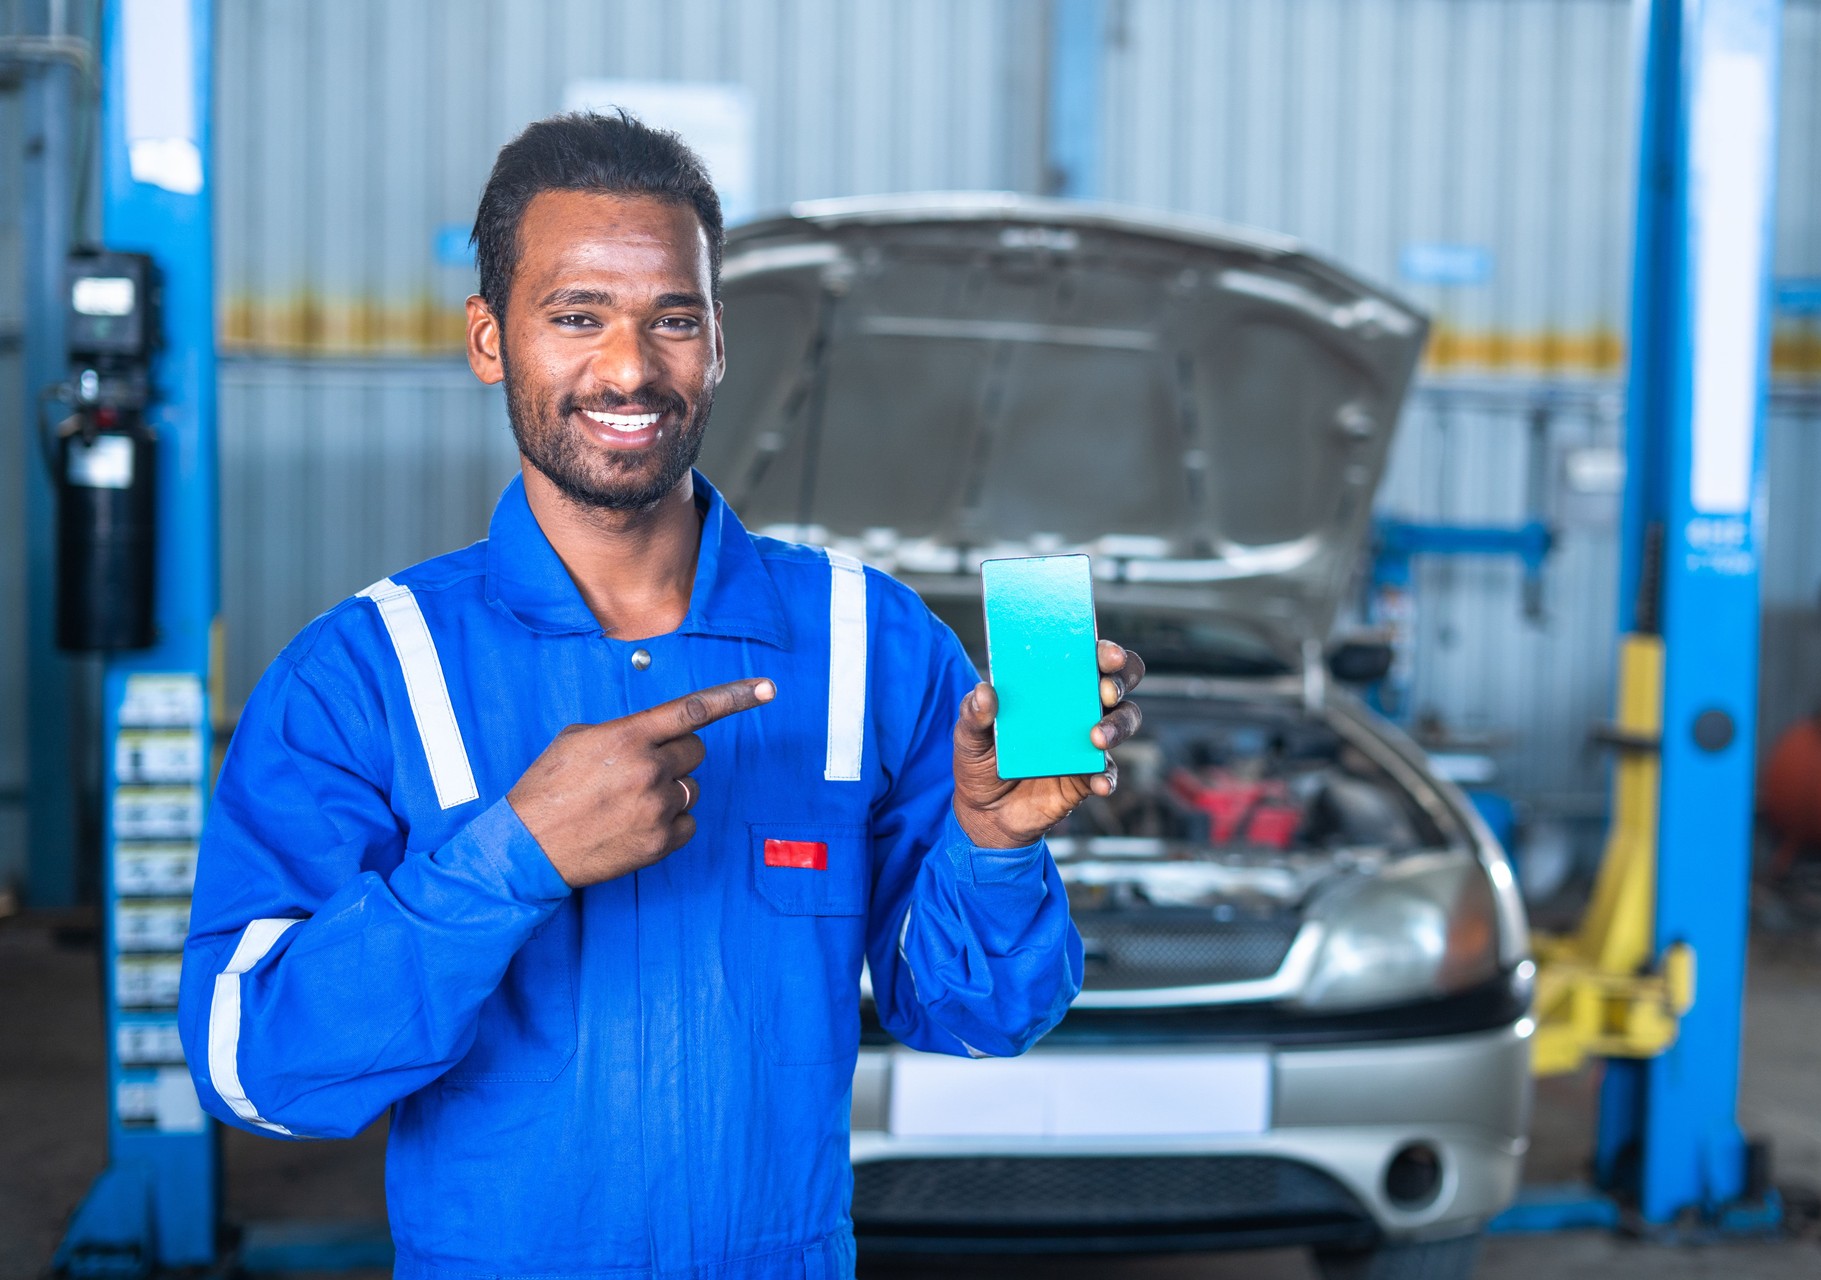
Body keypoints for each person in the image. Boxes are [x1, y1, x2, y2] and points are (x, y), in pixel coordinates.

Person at [178, 111, 1146, 1280]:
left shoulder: (868, 640)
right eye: (576, 315)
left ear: (721, 341)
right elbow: (254, 1064)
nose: (630, 368)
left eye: (671, 318)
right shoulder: (368, 673)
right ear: (490, 338)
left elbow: (977, 1012)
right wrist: (511, 856)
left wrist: (991, 845)